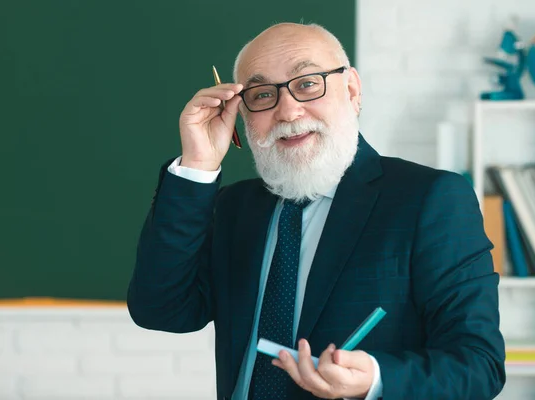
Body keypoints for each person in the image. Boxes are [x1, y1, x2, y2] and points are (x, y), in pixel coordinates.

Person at [127, 22, 506, 400]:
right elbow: (162, 310)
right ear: (244, 114)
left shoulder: (430, 199)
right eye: (261, 95)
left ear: (352, 90)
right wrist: (197, 166)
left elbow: (478, 365)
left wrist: (374, 380)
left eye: (307, 83)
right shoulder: (234, 207)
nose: (288, 112)